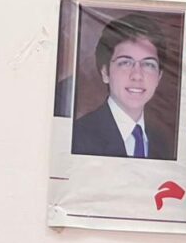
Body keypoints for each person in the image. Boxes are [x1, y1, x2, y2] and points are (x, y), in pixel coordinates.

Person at [71, 13, 173, 159]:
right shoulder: (77, 138)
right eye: (125, 62)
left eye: (148, 64)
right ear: (105, 73)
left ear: (159, 77)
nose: (137, 75)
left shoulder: (162, 143)